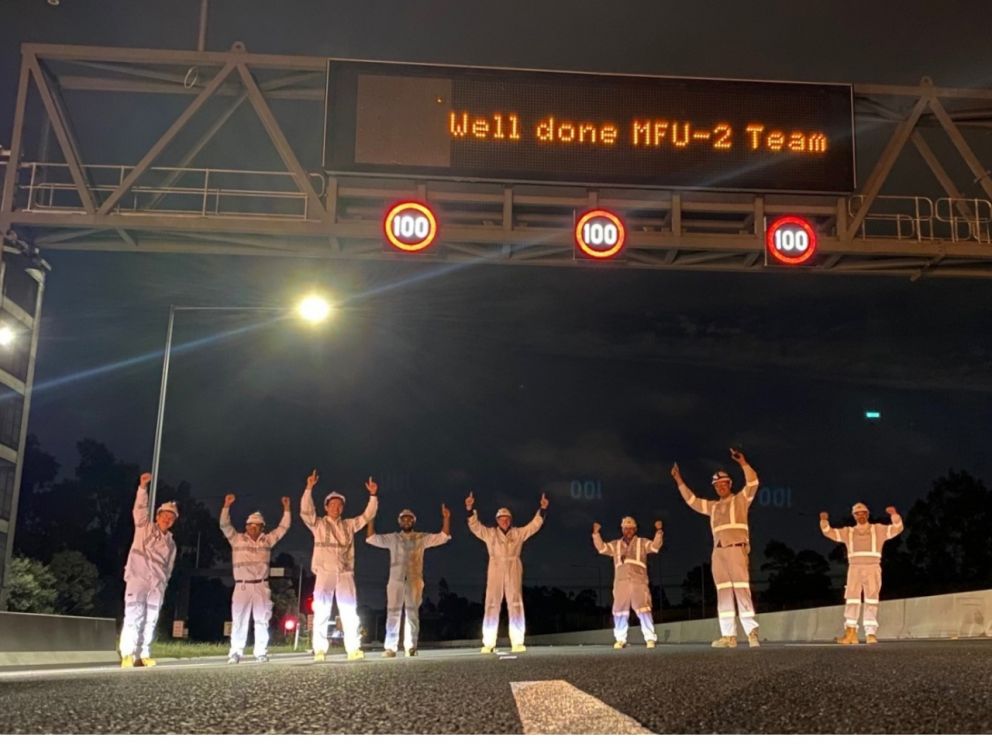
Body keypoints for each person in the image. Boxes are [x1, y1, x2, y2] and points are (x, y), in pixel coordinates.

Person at [671, 448, 761, 648]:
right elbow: (692, 501)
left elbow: (753, 483)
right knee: (723, 592)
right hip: (718, 553)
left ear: (730, 484)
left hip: (736, 549)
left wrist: (743, 463)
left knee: (741, 590)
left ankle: (751, 633)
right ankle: (729, 636)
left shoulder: (741, 500)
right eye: (717, 485)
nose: (720, 487)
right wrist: (679, 481)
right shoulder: (712, 507)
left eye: (723, 484)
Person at [300, 469, 378, 661]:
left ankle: (353, 648)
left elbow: (367, 516)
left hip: (344, 572)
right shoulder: (318, 524)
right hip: (324, 572)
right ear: (326, 507)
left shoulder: (349, 525)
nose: (336, 507)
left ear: (342, 508)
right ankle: (319, 649)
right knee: (322, 610)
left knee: (349, 611)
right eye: (333, 504)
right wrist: (309, 488)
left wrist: (373, 495)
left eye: (339, 505)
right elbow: (305, 512)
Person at [466, 490, 548, 654]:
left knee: (515, 602)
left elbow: (534, 526)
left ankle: (517, 642)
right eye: (501, 519)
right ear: (497, 521)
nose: (504, 521)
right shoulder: (490, 534)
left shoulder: (517, 533)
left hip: (513, 566)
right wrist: (469, 509)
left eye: (507, 519)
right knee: (492, 603)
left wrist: (543, 509)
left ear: (510, 520)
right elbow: (475, 527)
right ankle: (489, 642)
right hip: (495, 567)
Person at [366, 504, 452, 657]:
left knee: (412, 613)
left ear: (413, 522)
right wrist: (371, 518)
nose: (407, 521)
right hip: (395, 580)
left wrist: (446, 518)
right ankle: (390, 648)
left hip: (414, 579)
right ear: (399, 522)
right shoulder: (393, 538)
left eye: (409, 519)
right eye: (404, 519)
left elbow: (443, 537)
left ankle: (411, 646)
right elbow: (371, 538)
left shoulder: (421, 537)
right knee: (393, 612)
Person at [219, 493, 291, 664]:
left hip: (261, 585)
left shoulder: (267, 541)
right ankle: (235, 652)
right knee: (239, 620)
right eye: (251, 526)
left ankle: (260, 652)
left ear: (262, 527)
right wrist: (226, 506)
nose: (253, 528)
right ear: (246, 526)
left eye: (257, 526)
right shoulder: (237, 540)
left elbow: (283, 528)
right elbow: (224, 525)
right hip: (242, 586)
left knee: (262, 620)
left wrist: (287, 509)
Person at [820, 502, 903, 644]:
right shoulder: (849, 532)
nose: (861, 516)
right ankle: (851, 633)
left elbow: (897, 528)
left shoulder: (878, 529)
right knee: (852, 598)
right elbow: (829, 532)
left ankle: (870, 633)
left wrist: (894, 515)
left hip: (873, 567)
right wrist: (824, 521)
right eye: (857, 514)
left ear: (867, 514)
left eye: (863, 513)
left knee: (871, 598)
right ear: (854, 516)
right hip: (855, 568)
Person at [119, 472, 179, 668]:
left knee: (151, 618)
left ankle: (144, 653)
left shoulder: (171, 543)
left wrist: (164, 582)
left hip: (157, 583)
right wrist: (143, 487)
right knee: (133, 614)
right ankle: (128, 653)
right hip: (138, 578)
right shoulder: (144, 527)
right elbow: (139, 509)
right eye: (165, 516)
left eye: (171, 518)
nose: (167, 520)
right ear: (158, 516)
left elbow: (169, 566)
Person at [593, 517, 664, 649]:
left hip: (639, 581)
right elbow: (602, 548)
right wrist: (596, 534)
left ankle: (649, 638)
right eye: (626, 528)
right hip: (621, 583)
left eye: (631, 528)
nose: (628, 531)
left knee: (643, 608)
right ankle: (620, 639)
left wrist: (659, 532)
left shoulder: (642, 542)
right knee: (620, 610)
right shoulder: (616, 544)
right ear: (622, 530)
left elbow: (654, 547)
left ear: (635, 529)